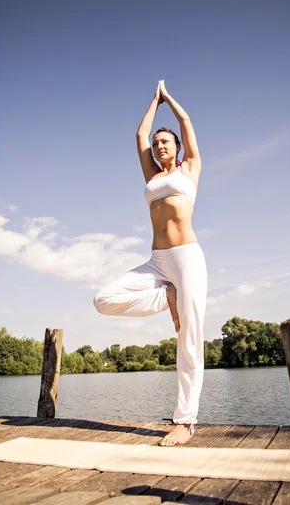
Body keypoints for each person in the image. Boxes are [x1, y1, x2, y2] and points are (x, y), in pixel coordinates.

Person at [94, 79, 207, 446]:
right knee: (104, 300)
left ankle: (185, 421)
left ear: (176, 147)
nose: (159, 146)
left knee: (189, 338)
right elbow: (139, 133)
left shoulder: (188, 169)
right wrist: (151, 102)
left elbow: (187, 123)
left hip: (187, 258)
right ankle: (166, 297)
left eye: (165, 142)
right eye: (157, 144)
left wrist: (168, 99)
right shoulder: (152, 174)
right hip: (158, 261)